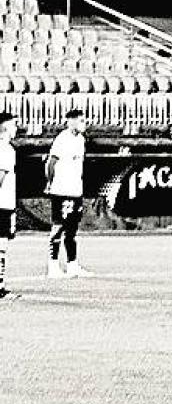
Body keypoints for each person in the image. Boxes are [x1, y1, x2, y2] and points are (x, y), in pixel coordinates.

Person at [45, 109, 90, 279]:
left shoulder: (80, 139)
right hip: (62, 190)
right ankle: (53, 265)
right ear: (71, 121)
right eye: (81, 120)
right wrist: (50, 182)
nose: (84, 123)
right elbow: (51, 162)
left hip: (75, 190)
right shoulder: (62, 139)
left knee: (72, 229)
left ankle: (72, 265)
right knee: (58, 226)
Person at [0, 111, 15, 300]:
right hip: (2, 204)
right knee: (1, 244)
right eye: (13, 125)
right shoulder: (6, 150)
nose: (16, 128)